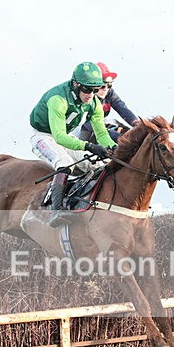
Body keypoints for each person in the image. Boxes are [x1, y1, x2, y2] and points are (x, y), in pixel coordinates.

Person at [29, 62, 117, 227]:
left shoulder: (94, 103)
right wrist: (89, 146)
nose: (91, 94)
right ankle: (56, 211)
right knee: (65, 163)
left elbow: (101, 133)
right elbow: (59, 137)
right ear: (76, 84)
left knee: (100, 164)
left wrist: (113, 147)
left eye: (95, 89)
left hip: (65, 136)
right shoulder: (58, 100)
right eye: (87, 89)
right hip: (43, 136)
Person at [78, 62, 140, 143]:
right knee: (117, 136)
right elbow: (87, 123)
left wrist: (137, 124)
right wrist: (113, 132)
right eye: (102, 86)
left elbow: (122, 109)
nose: (106, 89)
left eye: (109, 85)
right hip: (80, 130)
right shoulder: (86, 96)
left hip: (100, 126)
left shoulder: (109, 93)